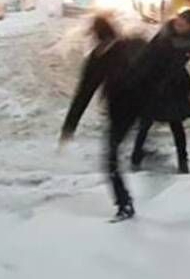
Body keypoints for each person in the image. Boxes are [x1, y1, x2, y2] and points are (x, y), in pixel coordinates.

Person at [60, 15, 149, 221]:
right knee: (111, 159)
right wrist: (69, 127)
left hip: (136, 108)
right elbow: (84, 92)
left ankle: (125, 203)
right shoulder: (98, 57)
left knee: (112, 158)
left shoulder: (129, 47)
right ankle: (124, 202)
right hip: (119, 113)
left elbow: (155, 69)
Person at [130, 10, 190, 175]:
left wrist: (189, 93)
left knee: (175, 124)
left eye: (182, 25)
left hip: (173, 84)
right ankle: (135, 158)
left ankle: (183, 163)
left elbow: (177, 66)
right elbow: (147, 54)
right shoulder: (165, 32)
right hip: (153, 80)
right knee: (146, 122)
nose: (177, 26)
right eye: (177, 22)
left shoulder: (189, 41)